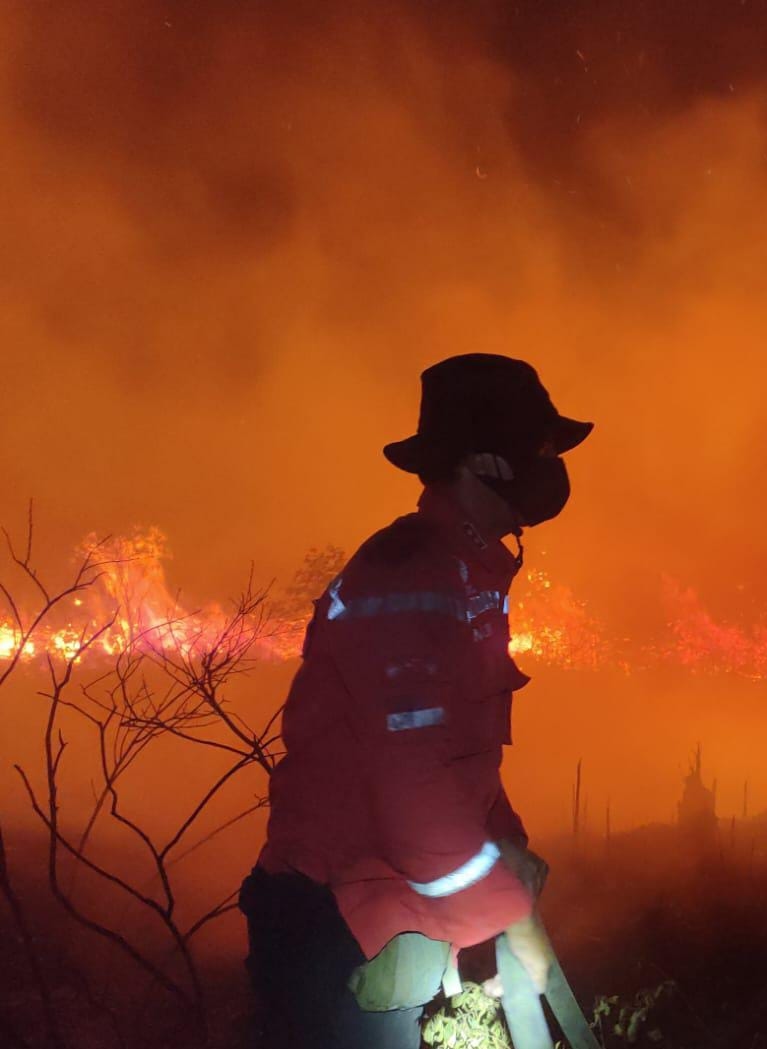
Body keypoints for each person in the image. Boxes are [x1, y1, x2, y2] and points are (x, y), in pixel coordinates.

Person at [240, 354, 591, 1049]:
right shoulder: (413, 574)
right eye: (541, 448)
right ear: (485, 461)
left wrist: (505, 840)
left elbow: (459, 757)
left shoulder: (465, 573)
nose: (551, 466)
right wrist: (503, 907)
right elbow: (411, 776)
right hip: (333, 923)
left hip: (384, 910)